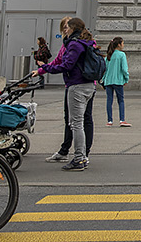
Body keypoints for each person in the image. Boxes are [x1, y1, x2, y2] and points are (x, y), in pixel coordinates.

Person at [38, 16, 97, 171]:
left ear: (73, 29)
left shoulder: (75, 44)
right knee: (83, 122)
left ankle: (79, 159)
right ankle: (82, 156)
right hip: (89, 85)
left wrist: (46, 68)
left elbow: (66, 65)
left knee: (76, 124)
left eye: (68, 27)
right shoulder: (88, 42)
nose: (66, 30)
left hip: (77, 86)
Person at [103, 36, 130, 127]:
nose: (123, 45)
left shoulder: (108, 55)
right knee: (120, 100)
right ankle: (122, 119)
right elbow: (124, 69)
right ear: (119, 44)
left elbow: (104, 69)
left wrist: (103, 79)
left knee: (109, 100)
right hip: (118, 80)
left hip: (108, 81)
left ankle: (109, 120)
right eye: (122, 43)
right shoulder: (121, 55)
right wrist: (126, 78)